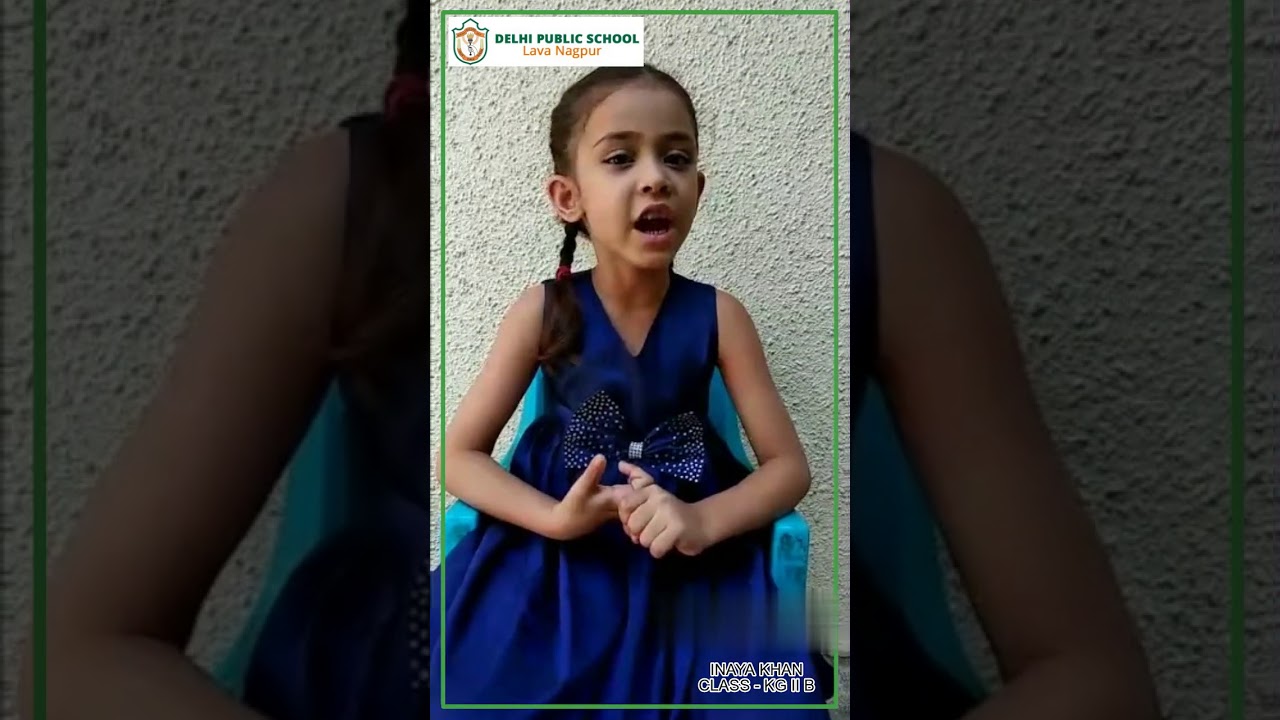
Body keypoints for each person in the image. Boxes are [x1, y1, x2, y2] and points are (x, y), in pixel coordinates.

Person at [21, 1, 1163, 719]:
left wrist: (706, 520)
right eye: (619, 158)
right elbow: (81, 655)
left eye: (671, 158)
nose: (649, 184)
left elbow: (1092, 675)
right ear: (565, 190)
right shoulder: (368, 215)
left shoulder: (856, 236)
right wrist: (550, 517)